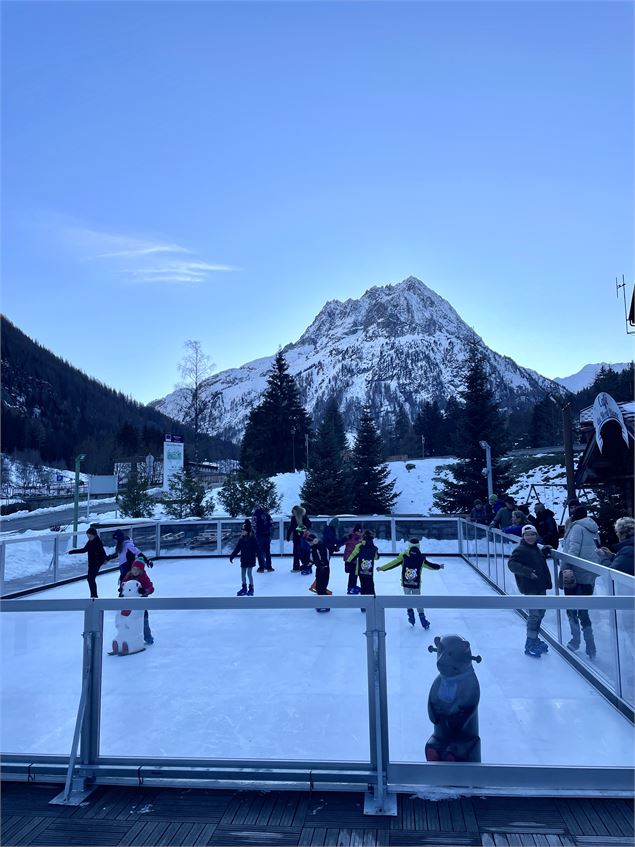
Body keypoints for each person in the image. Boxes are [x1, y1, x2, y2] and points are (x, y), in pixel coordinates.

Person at [559, 506, 600, 658]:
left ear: (573, 516)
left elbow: (573, 550)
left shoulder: (577, 528)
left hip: (574, 574)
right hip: (589, 574)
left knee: (571, 609)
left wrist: (564, 568)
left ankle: (575, 641)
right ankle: (591, 647)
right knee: (584, 610)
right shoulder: (593, 527)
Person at [377, 537, 444, 629]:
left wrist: (382, 568)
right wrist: (439, 566)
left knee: (408, 599)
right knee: (418, 600)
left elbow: (393, 563)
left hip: (406, 583)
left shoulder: (403, 556)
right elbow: (430, 566)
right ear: (418, 545)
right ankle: (423, 620)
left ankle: (411, 617)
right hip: (416, 584)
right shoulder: (421, 558)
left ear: (409, 545)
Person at [507, 524, 553, 658]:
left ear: (536, 535)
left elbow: (535, 558)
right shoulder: (521, 549)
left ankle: (534, 638)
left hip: (540, 586)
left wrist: (544, 551)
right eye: (527, 535)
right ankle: (529, 642)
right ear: (523, 536)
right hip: (530, 587)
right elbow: (512, 564)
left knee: (541, 613)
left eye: (533, 534)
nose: (530, 537)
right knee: (534, 615)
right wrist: (527, 572)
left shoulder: (535, 548)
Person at [120, 555, 155, 644]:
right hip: (129, 603)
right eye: (134, 569)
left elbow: (151, 588)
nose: (135, 571)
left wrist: (144, 591)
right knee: (127, 620)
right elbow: (123, 584)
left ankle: (148, 637)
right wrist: (122, 590)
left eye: (137, 570)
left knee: (144, 621)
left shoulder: (144, 578)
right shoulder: (128, 575)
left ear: (141, 571)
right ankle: (127, 638)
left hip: (141, 604)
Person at [68, 526, 107, 598]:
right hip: (91, 564)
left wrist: (101, 562)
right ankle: (93, 595)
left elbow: (103, 554)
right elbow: (84, 550)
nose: (89, 538)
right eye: (88, 536)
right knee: (90, 579)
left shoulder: (98, 543)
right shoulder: (90, 542)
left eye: (90, 536)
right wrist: (73, 551)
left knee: (90, 579)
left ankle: (94, 596)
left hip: (96, 564)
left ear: (94, 535)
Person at [346, 529, 379, 611]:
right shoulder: (374, 548)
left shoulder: (359, 546)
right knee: (371, 586)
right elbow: (376, 558)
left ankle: (364, 606)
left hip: (361, 570)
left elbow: (353, 555)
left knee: (363, 587)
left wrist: (347, 563)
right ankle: (373, 604)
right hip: (369, 571)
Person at [229, 519, 259, 596]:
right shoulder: (241, 539)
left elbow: (257, 549)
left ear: (247, 531)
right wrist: (232, 556)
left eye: (243, 530)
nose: (242, 531)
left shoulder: (252, 539)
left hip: (251, 559)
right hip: (244, 559)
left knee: (249, 573)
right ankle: (244, 588)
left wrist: (260, 558)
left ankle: (251, 588)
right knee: (242, 574)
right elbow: (237, 548)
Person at [306, 533, 332, 613]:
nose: (309, 544)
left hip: (322, 569)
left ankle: (323, 605)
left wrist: (321, 565)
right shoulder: (318, 546)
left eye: (309, 542)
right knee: (322, 586)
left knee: (320, 587)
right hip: (324, 568)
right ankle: (324, 604)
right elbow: (318, 557)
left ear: (314, 541)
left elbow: (320, 558)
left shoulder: (317, 548)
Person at [286, 505, 312, 573]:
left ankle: (306, 565)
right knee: (296, 553)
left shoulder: (304, 516)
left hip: (303, 538)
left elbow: (309, 525)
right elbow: (291, 527)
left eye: (293, 512)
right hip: (296, 538)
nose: (293, 514)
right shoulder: (294, 518)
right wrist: (288, 536)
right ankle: (296, 567)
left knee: (303, 552)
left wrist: (300, 529)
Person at [343, 523, 362, 594]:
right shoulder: (351, 537)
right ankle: (350, 588)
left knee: (355, 573)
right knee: (352, 574)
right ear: (355, 531)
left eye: (360, 531)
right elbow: (346, 544)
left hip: (355, 559)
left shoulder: (359, 538)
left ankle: (353, 586)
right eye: (358, 531)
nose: (359, 533)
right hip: (350, 559)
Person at [254, 505, 274, 573]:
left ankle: (261, 567)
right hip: (267, 535)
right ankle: (269, 567)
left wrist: (256, 531)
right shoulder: (267, 514)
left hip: (259, 536)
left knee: (259, 552)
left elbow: (253, 525)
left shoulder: (255, 515)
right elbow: (271, 523)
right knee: (267, 551)